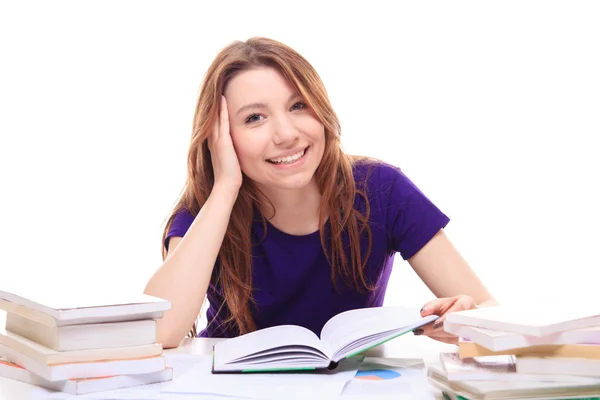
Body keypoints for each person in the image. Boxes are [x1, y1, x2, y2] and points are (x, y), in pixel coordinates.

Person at [144, 37, 498, 349]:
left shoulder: (380, 189)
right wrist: (225, 188)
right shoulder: (205, 209)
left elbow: (489, 312)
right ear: (220, 136)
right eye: (254, 118)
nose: (286, 134)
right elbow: (161, 333)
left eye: (298, 106)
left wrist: (464, 319)